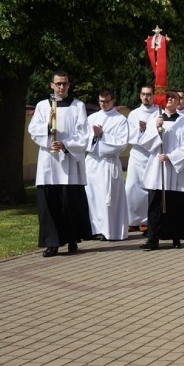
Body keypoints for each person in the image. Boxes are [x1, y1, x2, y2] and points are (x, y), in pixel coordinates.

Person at [28, 70, 92, 257]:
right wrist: (47, 128)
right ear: (52, 85)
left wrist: (65, 145)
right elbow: (33, 130)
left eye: (64, 84)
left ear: (69, 85)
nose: (61, 87)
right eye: (58, 84)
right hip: (49, 161)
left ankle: (72, 239)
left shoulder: (77, 106)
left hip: (68, 161)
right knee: (49, 204)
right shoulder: (42, 106)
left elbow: (83, 133)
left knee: (69, 203)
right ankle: (52, 243)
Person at [139, 90, 184, 250]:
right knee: (155, 205)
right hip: (158, 168)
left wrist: (172, 157)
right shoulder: (155, 119)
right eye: (167, 98)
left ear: (178, 101)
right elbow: (145, 143)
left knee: (176, 205)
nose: (170, 100)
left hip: (176, 170)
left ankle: (176, 237)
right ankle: (153, 238)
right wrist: (155, 128)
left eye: (174, 98)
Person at [85, 89, 129, 241]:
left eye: (107, 101)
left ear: (113, 101)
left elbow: (121, 143)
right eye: (101, 101)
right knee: (91, 196)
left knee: (106, 198)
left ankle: (108, 231)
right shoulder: (92, 118)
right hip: (92, 162)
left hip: (108, 163)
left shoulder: (120, 120)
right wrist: (93, 136)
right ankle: (93, 229)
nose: (103, 104)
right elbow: (84, 139)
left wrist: (102, 135)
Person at [125, 85, 158, 233]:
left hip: (152, 154)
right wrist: (140, 130)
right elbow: (129, 134)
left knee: (149, 188)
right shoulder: (133, 114)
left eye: (149, 94)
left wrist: (147, 130)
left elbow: (160, 133)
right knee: (131, 187)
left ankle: (146, 220)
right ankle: (132, 220)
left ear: (154, 96)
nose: (146, 97)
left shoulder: (159, 112)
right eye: (143, 94)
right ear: (140, 96)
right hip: (137, 154)